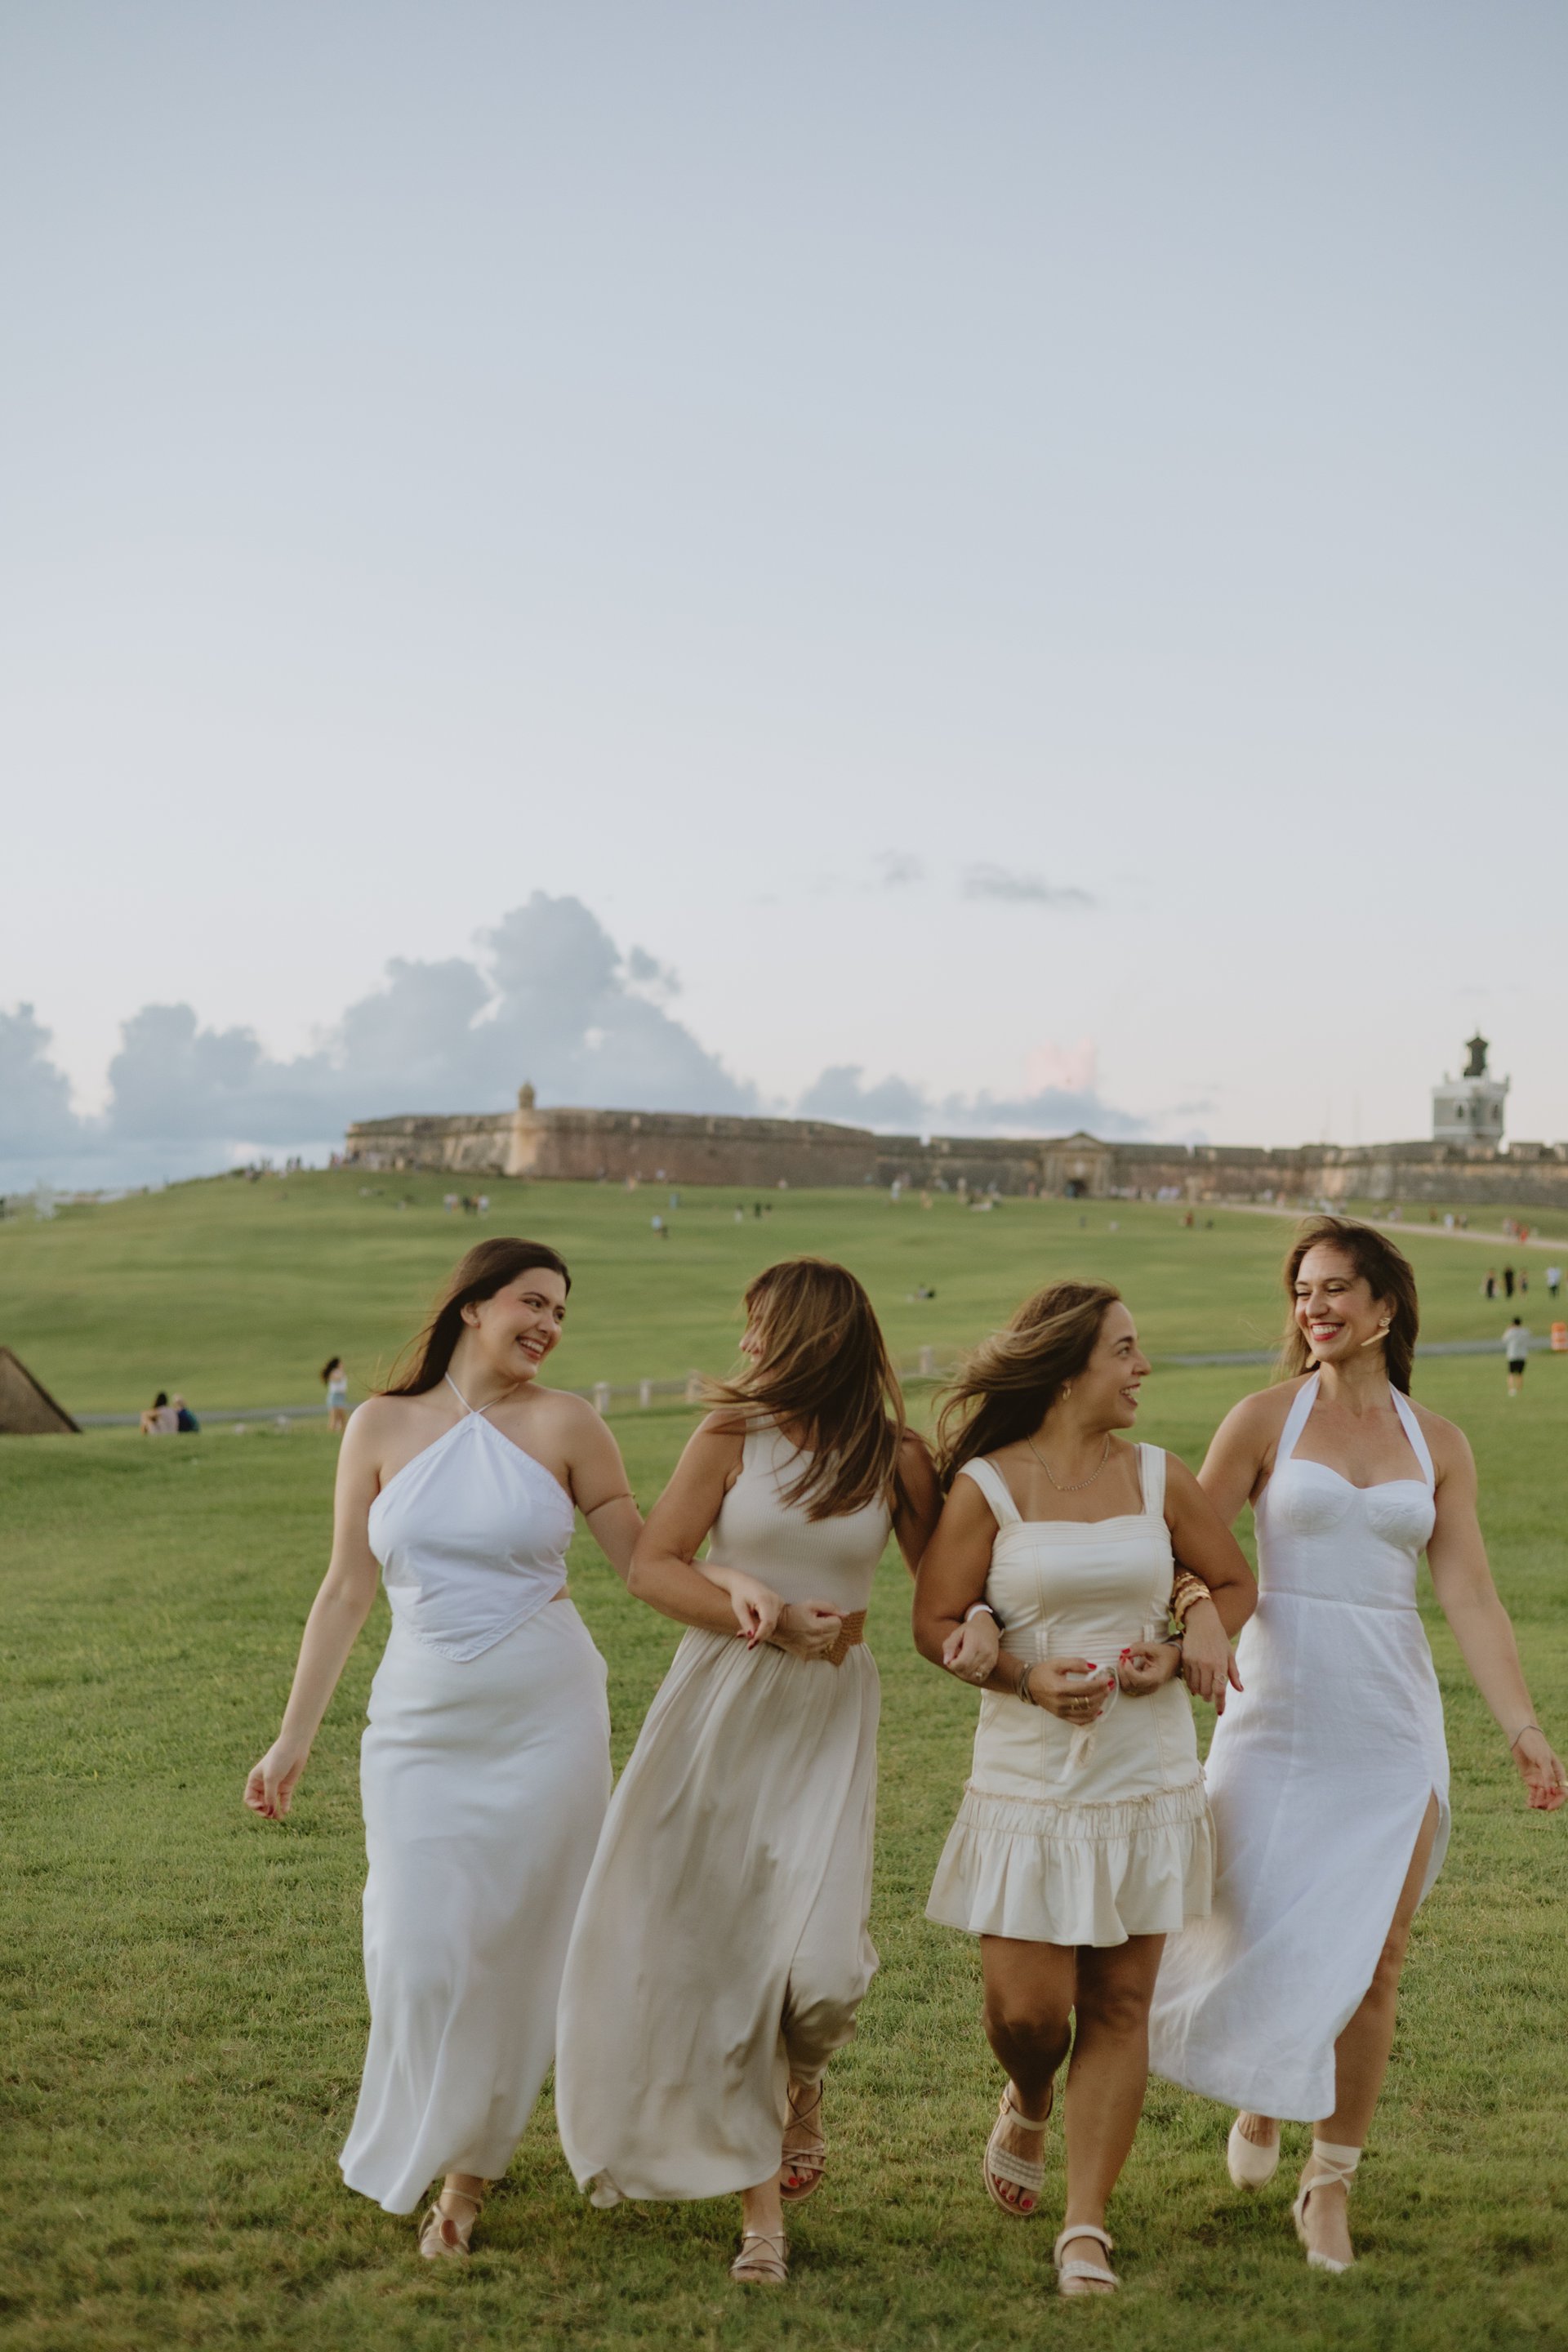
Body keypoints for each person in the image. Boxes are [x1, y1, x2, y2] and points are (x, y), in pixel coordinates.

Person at [1148, 1218, 1565, 2274]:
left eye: (1335, 1288)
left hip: (1389, 1723)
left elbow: (1469, 1593)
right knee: (1249, 1917)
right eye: (1302, 1290)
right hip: (1275, 1715)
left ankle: (1328, 2182)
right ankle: (1265, 2086)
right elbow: (1188, 1545)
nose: (1314, 1307)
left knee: (1378, 1952)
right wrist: (1194, 1614)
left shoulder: (1440, 1444)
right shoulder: (1263, 1420)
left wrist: (1522, 1726)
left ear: (1385, 1305)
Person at [244, 1240, 647, 2259]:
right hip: (418, 1727)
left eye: (561, 1312)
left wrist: (746, 1589)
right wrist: (293, 1739)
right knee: (413, 1951)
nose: (548, 1325)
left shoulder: (569, 1423)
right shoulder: (379, 1425)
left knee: (518, 1948)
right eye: (532, 1302)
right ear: (473, 1305)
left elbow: (645, 1559)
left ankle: (467, 2180)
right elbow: (346, 1588)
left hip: (549, 1718)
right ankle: (433, 2132)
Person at [555, 1258, 942, 2288]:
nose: (745, 1346)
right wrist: (749, 1609)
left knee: (823, 1976)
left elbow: (951, 1588)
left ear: (813, 1336)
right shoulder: (733, 1434)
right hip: (720, 1708)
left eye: (761, 1328)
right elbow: (653, 1566)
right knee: (729, 1959)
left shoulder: (897, 1456)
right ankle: (760, 2217)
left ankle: (802, 2082)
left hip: (829, 1717)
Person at [912, 1281, 1255, 2298]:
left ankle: (1085, 2229)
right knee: (1030, 2014)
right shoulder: (989, 1486)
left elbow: (1233, 1581)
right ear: (1069, 1370)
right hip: (1028, 1778)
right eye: (1125, 1350)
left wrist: (1190, 1634)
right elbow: (933, 1621)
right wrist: (1019, 1675)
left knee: (1120, 2003)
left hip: (1146, 1772)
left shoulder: (1160, 1475)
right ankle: (1028, 2097)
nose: (1142, 1368)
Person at [322, 1356, 350, 1436]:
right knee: (334, 1419)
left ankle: (343, 1434)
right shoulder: (334, 1372)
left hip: (341, 1397)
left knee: (343, 1418)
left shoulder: (340, 1372)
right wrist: (341, 1370)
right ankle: (331, 1434)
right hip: (335, 1397)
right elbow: (338, 1379)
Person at [1503, 1316, 1530, 1396]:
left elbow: (1504, 1339)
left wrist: (1508, 1329)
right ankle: (1519, 1389)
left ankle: (1511, 1389)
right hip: (1522, 1355)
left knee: (1511, 1373)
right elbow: (1529, 1337)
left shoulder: (1510, 1332)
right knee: (1520, 1374)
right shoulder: (1525, 1331)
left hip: (1512, 1355)